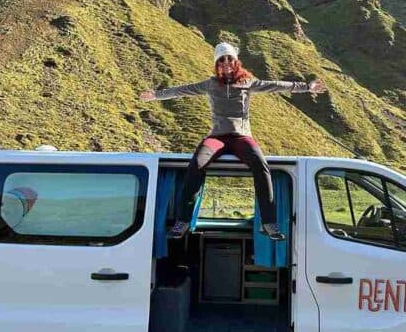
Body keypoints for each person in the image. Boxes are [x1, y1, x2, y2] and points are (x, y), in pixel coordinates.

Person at [140, 42, 327, 240]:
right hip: (217, 137)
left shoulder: (248, 82)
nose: (226, 63)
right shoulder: (210, 84)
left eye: (230, 59)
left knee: (261, 165)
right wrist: (156, 96)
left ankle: (269, 223)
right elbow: (183, 90)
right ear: (217, 64)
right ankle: (183, 221)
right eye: (222, 60)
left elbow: (276, 85)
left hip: (241, 137)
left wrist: (307, 87)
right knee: (197, 163)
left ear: (236, 62)